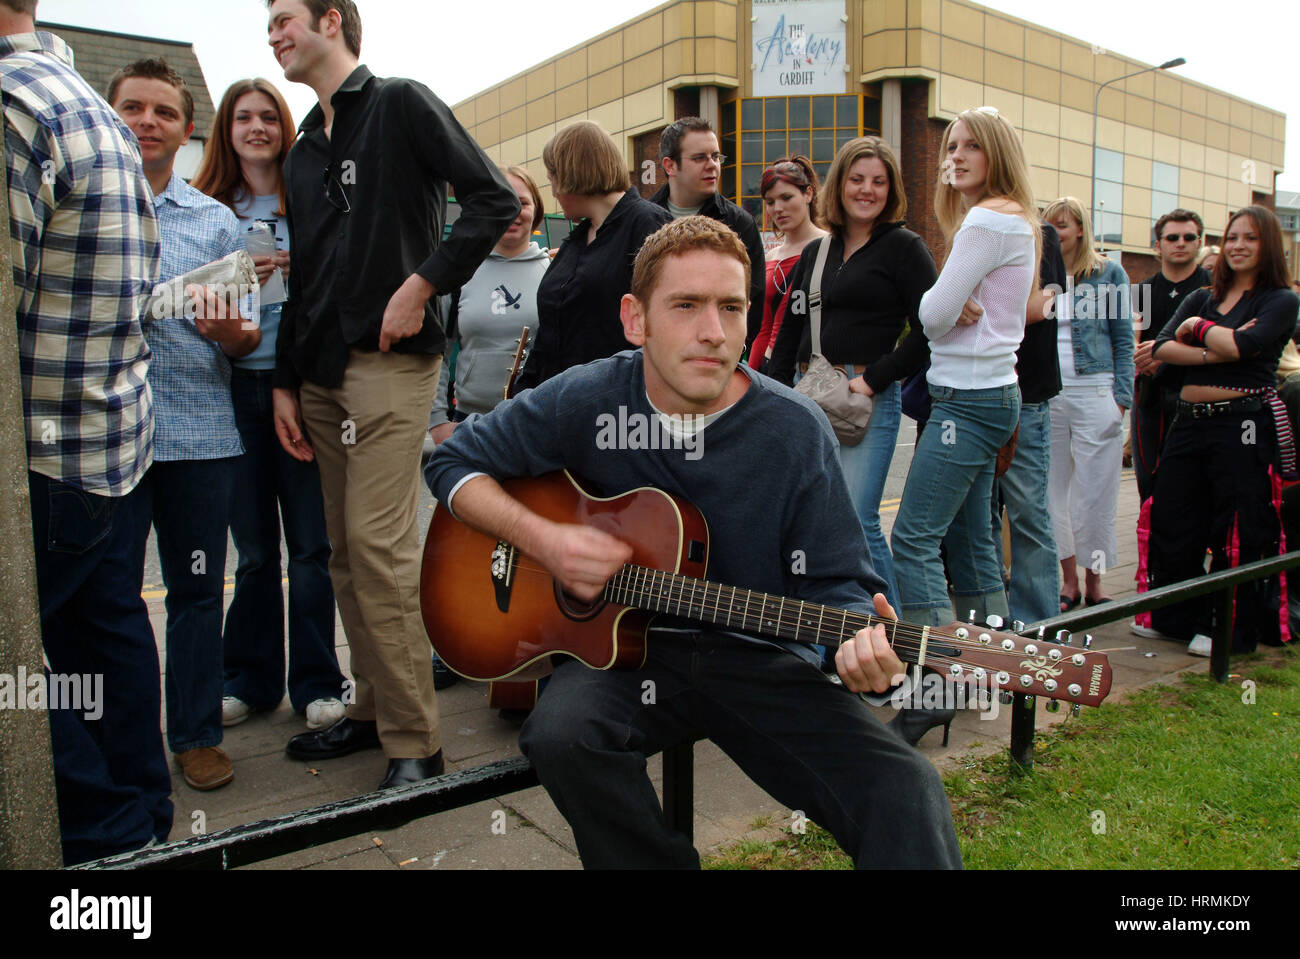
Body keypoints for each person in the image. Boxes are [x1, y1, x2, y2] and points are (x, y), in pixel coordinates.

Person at [425, 216, 962, 869]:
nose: (713, 330)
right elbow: (452, 465)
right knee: (563, 735)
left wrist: (866, 650)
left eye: (731, 307)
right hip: (621, 661)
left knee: (906, 788)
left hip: (759, 655)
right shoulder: (588, 397)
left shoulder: (793, 429)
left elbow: (836, 581)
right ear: (635, 318)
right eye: (685, 305)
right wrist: (546, 539)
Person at [265, 0, 519, 789]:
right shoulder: (304, 149)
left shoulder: (401, 102)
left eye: (283, 17)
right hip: (317, 374)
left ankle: (419, 741)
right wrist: (283, 379)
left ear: (331, 20)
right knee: (345, 554)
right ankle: (372, 708)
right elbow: (304, 274)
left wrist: (424, 284)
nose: (273, 34)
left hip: (390, 362)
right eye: (266, 24)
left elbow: (493, 200)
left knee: (379, 547)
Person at [3, 0, 170, 863]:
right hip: (106, 444)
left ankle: (104, 839)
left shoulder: (14, 109)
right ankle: (143, 817)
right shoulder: (81, 102)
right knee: (102, 636)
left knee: (21, 669)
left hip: (40, 454)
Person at [108, 57, 259, 793]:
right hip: (104, 437)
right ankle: (122, 741)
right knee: (111, 599)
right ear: (113, 116)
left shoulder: (215, 221)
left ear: (187, 130)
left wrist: (228, 328)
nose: (147, 122)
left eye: (163, 112)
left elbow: (249, 338)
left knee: (198, 590)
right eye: (134, 107)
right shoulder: (88, 205)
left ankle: (195, 734)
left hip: (198, 436)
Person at [191, 78, 347, 731]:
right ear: (226, 129)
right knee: (253, 549)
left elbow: (333, 289)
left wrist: (294, 270)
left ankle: (316, 679)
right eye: (242, 117)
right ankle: (247, 679)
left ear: (284, 128)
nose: (256, 126)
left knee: (311, 543)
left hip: (302, 390)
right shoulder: (205, 209)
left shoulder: (308, 201)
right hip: (231, 390)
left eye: (267, 117)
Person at [770, 137, 937, 613]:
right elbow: (791, 329)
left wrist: (876, 378)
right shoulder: (819, 251)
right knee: (817, 523)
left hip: (867, 398)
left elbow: (930, 330)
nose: (867, 190)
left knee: (860, 521)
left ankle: (899, 640)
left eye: (879, 182)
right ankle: (842, 633)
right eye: (857, 179)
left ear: (892, 189)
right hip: (810, 394)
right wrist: (778, 394)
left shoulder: (905, 248)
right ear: (840, 184)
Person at [891, 106, 1038, 637]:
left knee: (911, 539)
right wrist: (955, 302)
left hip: (968, 399)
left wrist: (946, 302)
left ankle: (935, 679)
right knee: (972, 540)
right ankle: (988, 664)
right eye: (951, 146)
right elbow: (949, 309)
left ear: (997, 151)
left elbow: (930, 317)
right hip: (992, 395)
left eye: (971, 146)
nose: (956, 157)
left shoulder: (986, 221)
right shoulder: (1015, 218)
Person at [1136, 206, 1298, 655]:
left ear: (1268, 246)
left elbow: (1245, 344)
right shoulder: (1203, 296)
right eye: (1232, 238)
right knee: (1173, 517)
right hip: (1188, 424)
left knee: (1238, 526)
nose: (1239, 246)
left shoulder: (1280, 299)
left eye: (1250, 238)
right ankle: (1174, 618)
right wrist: (1215, 348)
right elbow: (1162, 348)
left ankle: (1230, 629)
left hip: (1244, 423)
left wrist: (1197, 330)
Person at [427, 164, 550, 690]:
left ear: (538, 209)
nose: (514, 212)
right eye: (503, 201)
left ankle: (517, 638)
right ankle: (452, 639)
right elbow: (435, 351)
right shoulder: (461, 271)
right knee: (461, 543)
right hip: (470, 428)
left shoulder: (556, 269)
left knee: (525, 539)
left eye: (522, 201)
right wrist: (437, 423)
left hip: (532, 430)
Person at [514, 120, 671, 391]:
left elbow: (665, 327)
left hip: (614, 408)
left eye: (552, 180)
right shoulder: (578, 239)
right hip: (555, 404)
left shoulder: (648, 225)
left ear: (571, 173)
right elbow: (550, 334)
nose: (553, 192)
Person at [1043, 197, 1134, 611]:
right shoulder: (1036, 271)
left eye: (1063, 225)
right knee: (1052, 491)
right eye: (1050, 225)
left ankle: (1096, 581)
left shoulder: (1107, 272)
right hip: (1049, 393)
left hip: (1097, 388)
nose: (1056, 232)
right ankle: (1068, 582)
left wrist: (1121, 399)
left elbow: (1123, 338)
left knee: (1096, 492)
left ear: (1081, 228)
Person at [990, 222, 1066, 626]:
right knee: (979, 519)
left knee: (1027, 515)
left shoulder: (1041, 234)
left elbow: (1041, 306)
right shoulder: (970, 228)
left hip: (1027, 396)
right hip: (974, 396)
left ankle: (1038, 628)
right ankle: (993, 621)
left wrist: (969, 311)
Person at [650, 116, 766, 345]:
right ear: (670, 165)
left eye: (715, 156)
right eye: (699, 158)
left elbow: (753, 300)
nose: (712, 165)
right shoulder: (644, 219)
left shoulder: (739, 223)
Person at [1131, 209, 1210, 504]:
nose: (1181, 243)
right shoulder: (1143, 291)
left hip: (1197, 397)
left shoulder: (1212, 288)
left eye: (1189, 237)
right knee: (1150, 483)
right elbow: (1132, 337)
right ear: (1157, 245)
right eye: (1172, 237)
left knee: (1197, 487)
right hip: (1152, 398)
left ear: (1199, 242)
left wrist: (1166, 354)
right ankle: (1152, 545)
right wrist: (1142, 355)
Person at [747, 156, 825, 371]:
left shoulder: (830, 247)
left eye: (786, 197)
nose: (778, 208)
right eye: (770, 202)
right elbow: (763, 329)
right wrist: (752, 377)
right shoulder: (771, 257)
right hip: (770, 368)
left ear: (808, 193)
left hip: (811, 369)